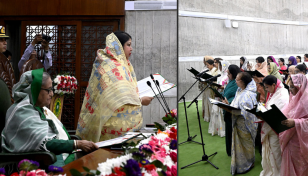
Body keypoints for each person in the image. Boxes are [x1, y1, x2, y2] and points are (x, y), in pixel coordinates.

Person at [1, 68, 98, 167]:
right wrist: (77, 144)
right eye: (48, 90)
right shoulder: (21, 111)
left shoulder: (38, 108)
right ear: (35, 89)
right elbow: (44, 143)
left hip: (47, 156)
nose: (52, 94)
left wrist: (77, 144)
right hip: (30, 163)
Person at [76, 31, 154, 142]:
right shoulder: (108, 64)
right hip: (110, 124)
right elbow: (117, 97)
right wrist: (141, 100)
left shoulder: (124, 64)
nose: (131, 48)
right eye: (128, 45)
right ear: (118, 46)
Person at [220, 72, 258, 175]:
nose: (235, 81)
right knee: (239, 144)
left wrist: (228, 109)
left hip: (245, 123)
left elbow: (246, 111)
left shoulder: (248, 94)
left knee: (247, 144)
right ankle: (241, 163)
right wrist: (227, 105)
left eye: (237, 80)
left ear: (243, 81)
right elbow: (235, 105)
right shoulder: (239, 90)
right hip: (237, 121)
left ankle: (250, 162)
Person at [258, 75, 289, 176]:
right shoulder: (274, 92)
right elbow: (270, 106)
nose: (266, 90)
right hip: (269, 125)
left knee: (276, 153)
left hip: (276, 128)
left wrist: (265, 113)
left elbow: (280, 113)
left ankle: (279, 173)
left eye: (267, 87)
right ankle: (272, 171)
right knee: (269, 151)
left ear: (274, 85)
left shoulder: (283, 94)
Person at [279, 74, 308, 176]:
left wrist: (296, 122)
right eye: (289, 87)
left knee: (301, 167)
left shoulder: (306, 101)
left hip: (300, 142)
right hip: (289, 140)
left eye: (292, 87)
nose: (290, 90)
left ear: (300, 86)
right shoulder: (293, 100)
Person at [221, 65, 240, 156]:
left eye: (229, 73)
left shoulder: (237, 83)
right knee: (228, 131)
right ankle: (230, 150)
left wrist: (229, 102)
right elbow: (226, 92)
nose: (227, 75)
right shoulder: (231, 81)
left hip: (232, 110)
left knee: (232, 131)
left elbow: (238, 97)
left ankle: (234, 151)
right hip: (227, 108)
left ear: (233, 74)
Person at [208, 60, 229, 137]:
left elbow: (226, 86)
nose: (219, 67)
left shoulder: (227, 76)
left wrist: (220, 87)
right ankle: (216, 129)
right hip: (217, 93)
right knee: (215, 112)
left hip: (223, 95)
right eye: (219, 66)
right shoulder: (221, 74)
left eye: (221, 66)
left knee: (220, 112)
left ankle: (222, 130)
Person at [199, 58, 219, 122]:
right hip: (206, 88)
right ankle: (208, 116)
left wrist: (208, 81)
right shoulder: (207, 71)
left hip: (211, 89)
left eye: (208, 65)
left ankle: (213, 118)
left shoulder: (215, 71)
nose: (207, 66)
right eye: (206, 65)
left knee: (211, 103)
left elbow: (216, 80)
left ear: (212, 65)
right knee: (206, 102)